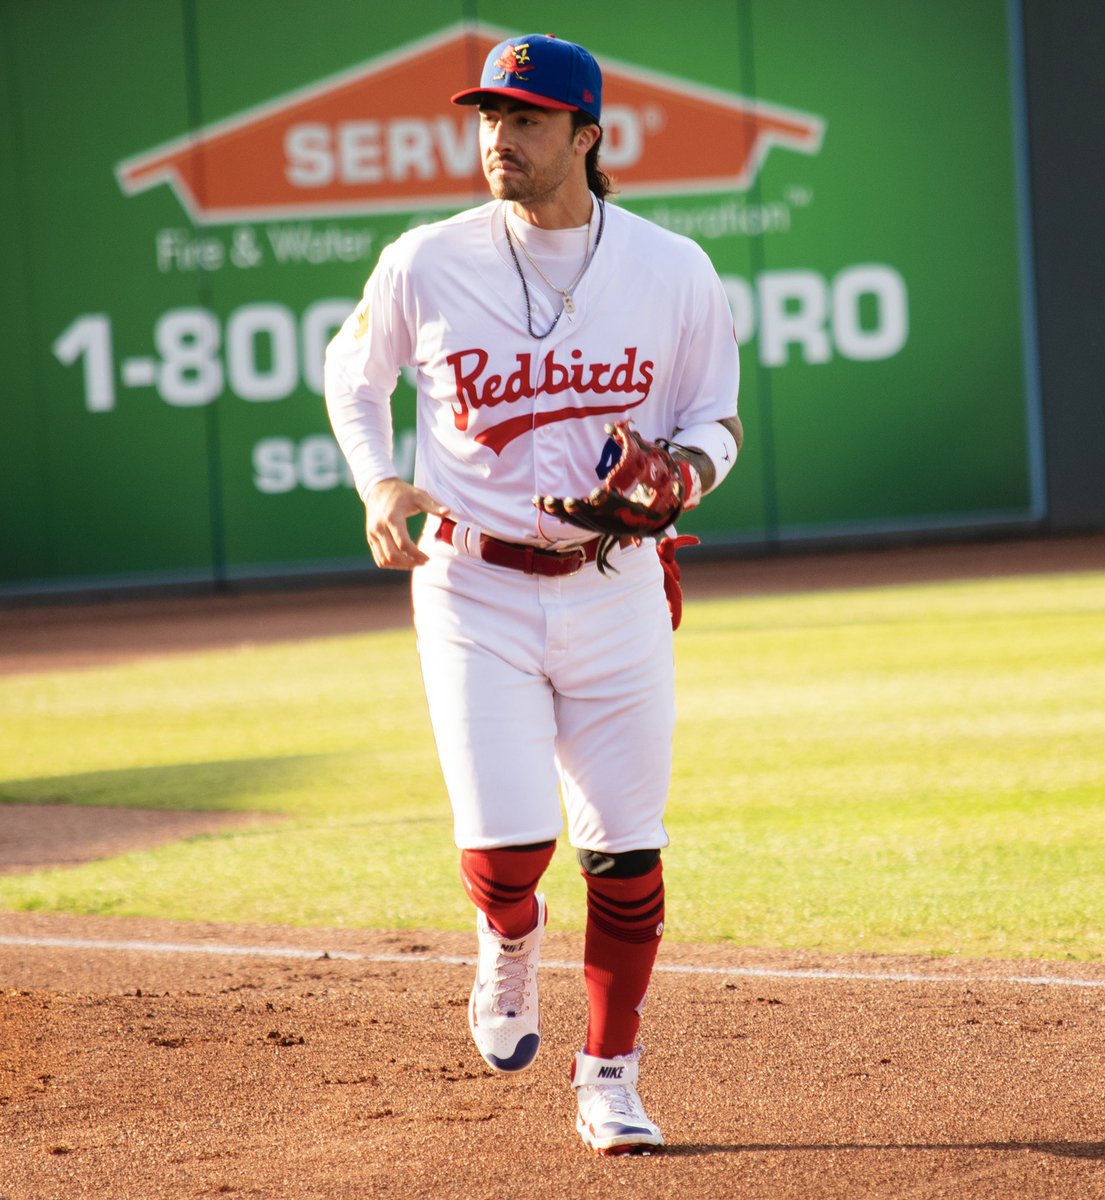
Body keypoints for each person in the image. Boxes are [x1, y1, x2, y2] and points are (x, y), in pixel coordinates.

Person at [324, 32, 742, 1155]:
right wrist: (377, 483)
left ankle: (609, 1075)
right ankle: (509, 936)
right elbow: (350, 373)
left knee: (627, 853)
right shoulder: (427, 260)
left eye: (526, 119)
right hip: (473, 587)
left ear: (588, 136)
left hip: (613, 590)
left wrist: (688, 472)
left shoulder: (671, 269)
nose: (498, 138)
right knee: (509, 854)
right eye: (489, 117)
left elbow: (718, 419)